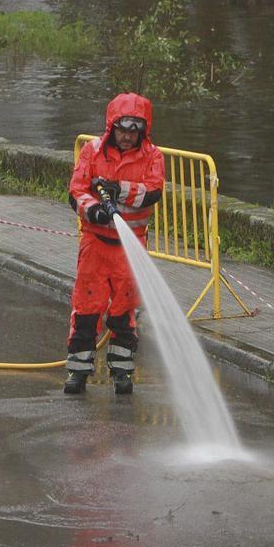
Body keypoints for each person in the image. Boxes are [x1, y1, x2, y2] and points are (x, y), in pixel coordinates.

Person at [64, 92, 165, 396]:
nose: (126, 136)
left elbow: (152, 191)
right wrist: (93, 209)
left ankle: (122, 373)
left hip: (130, 247)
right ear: (112, 127)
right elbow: (76, 190)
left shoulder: (152, 156)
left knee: (124, 311)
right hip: (95, 244)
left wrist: (118, 189)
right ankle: (78, 373)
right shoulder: (92, 151)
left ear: (142, 131)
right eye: (122, 130)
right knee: (86, 309)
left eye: (133, 131)